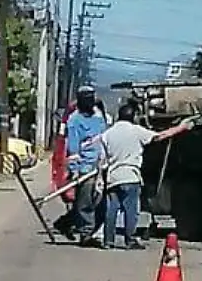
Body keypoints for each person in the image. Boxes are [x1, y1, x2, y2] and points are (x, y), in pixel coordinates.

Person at [93, 104, 185, 250]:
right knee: (131, 211)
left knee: (112, 210)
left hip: (113, 177)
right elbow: (159, 136)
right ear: (133, 116)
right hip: (130, 176)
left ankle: (108, 241)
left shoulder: (108, 134)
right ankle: (129, 240)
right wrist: (181, 128)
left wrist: (100, 178)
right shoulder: (136, 131)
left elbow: (102, 160)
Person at [62, 86, 109, 241]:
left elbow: (104, 138)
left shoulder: (98, 116)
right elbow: (73, 149)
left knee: (100, 202)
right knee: (85, 202)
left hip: (101, 165)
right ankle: (86, 234)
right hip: (85, 167)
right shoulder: (74, 120)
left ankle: (64, 223)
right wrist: (75, 170)